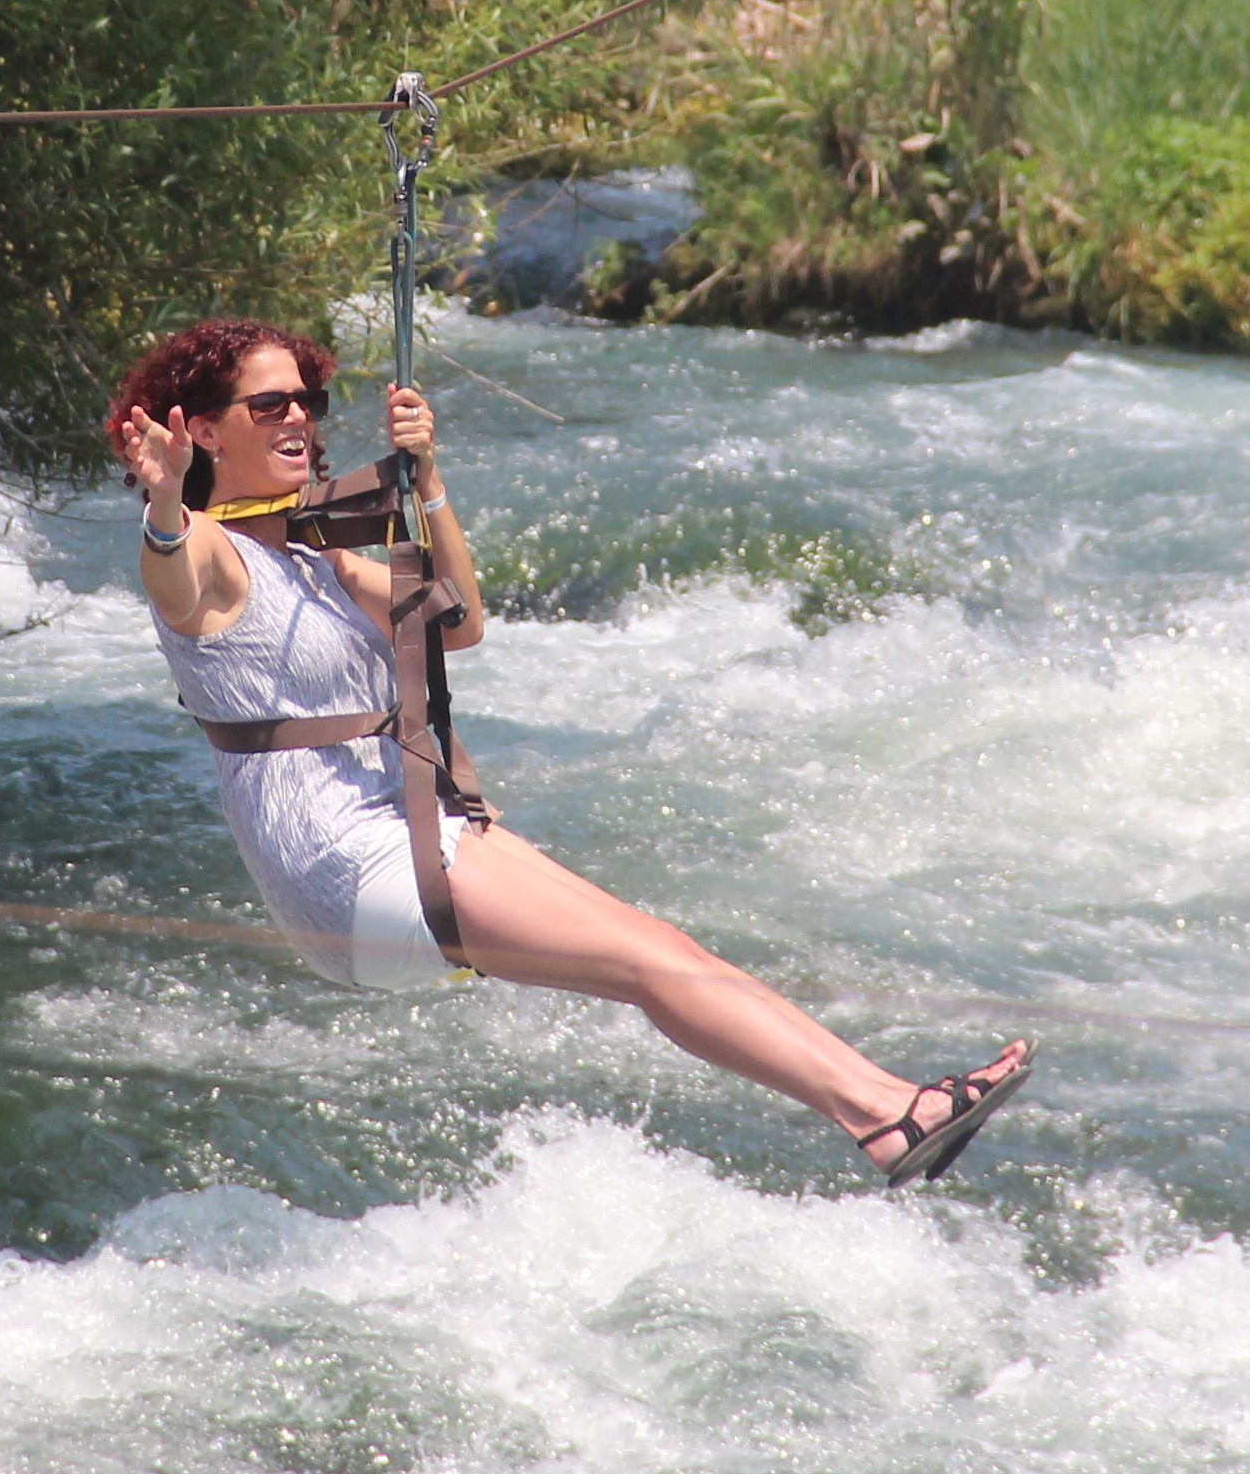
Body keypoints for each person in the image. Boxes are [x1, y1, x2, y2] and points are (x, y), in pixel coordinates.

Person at [104, 315, 1030, 1183]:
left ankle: (886, 1108)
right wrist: (160, 505)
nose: (300, 416)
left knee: (664, 952)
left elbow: (457, 621)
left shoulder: (321, 556)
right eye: (270, 405)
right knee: (650, 964)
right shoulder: (214, 560)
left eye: (309, 399)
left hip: (407, 827)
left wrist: (426, 480)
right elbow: (175, 583)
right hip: (344, 865)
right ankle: (880, 1114)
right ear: (208, 434)